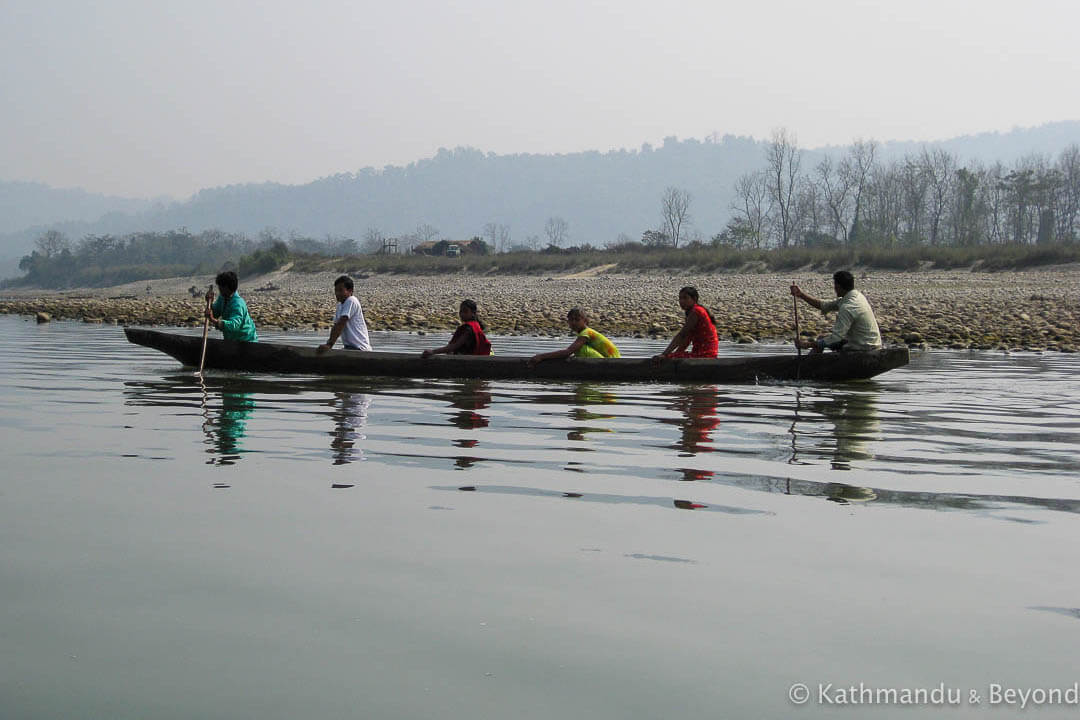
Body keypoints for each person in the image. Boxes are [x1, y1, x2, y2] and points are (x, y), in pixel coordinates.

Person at [790, 270, 882, 353]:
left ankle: (808, 366)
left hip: (862, 347)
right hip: (871, 343)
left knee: (822, 341)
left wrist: (806, 345)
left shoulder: (847, 307)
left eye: (834, 285)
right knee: (822, 338)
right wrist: (801, 295)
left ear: (837, 286)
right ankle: (810, 364)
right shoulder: (857, 296)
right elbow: (824, 305)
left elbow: (836, 338)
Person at [529, 308, 620, 366]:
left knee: (580, 349)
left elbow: (568, 352)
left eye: (577, 320)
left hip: (612, 362)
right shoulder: (584, 333)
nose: (574, 322)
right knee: (578, 348)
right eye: (571, 320)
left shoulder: (586, 333)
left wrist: (541, 356)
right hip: (609, 360)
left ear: (585, 321)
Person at [653, 286, 718, 361]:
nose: (682, 301)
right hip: (706, 354)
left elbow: (682, 335)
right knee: (672, 356)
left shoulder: (696, 311)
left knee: (669, 357)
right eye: (680, 298)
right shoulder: (692, 312)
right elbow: (687, 339)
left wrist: (664, 354)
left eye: (685, 298)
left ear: (694, 299)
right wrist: (675, 354)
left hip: (705, 355)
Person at [317, 275, 371, 353]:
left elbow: (341, 323)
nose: (337, 293)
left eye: (340, 290)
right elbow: (336, 326)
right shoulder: (340, 305)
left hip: (360, 349)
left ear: (350, 291)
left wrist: (329, 345)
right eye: (336, 290)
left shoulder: (351, 300)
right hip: (349, 347)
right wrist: (328, 344)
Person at [420, 299, 492, 357]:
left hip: (467, 362)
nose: (461, 314)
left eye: (465, 311)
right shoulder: (476, 325)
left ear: (473, 313)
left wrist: (433, 351)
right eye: (461, 311)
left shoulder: (468, 328)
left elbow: (454, 346)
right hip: (473, 359)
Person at [204, 270, 258, 342]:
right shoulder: (222, 297)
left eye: (221, 287)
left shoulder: (238, 304)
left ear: (228, 287)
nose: (219, 289)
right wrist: (210, 303)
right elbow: (215, 312)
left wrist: (213, 320)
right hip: (231, 339)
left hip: (246, 341)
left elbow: (234, 325)